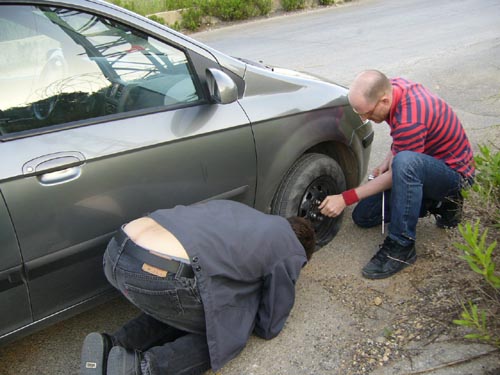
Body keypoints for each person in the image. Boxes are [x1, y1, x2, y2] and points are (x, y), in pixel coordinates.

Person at [80, 199, 316, 375]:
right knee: (225, 328)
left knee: (180, 307)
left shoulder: (245, 215)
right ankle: (140, 368)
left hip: (117, 251)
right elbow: (270, 324)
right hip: (155, 272)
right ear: (302, 251)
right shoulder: (291, 246)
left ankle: (113, 345)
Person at [319, 70, 474, 280]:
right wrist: (387, 159)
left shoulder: (410, 119)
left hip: (455, 176)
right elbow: (402, 141)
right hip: (427, 164)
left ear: (383, 100)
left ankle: (402, 246)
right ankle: (434, 203)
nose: (365, 119)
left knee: (405, 164)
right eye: (359, 113)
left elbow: (401, 169)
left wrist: (345, 198)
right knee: (363, 216)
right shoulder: (393, 89)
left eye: (367, 113)